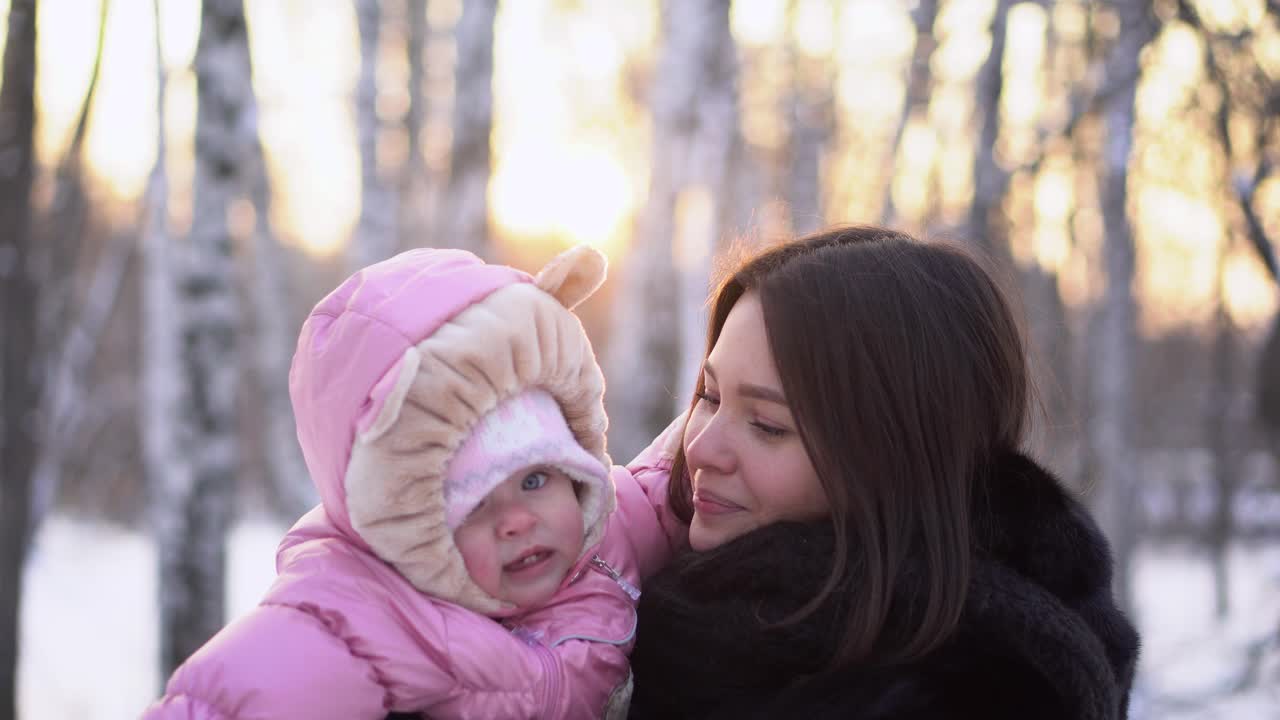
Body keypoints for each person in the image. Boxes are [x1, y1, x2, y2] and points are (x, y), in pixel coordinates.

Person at [143, 245, 679, 720]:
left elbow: (683, 477)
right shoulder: (367, 612)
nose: (516, 520)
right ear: (408, 522)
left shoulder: (613, 530)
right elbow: (237, 697)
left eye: (535, 479)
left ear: (576, 468)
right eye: (471, 505)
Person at [626, 226, 1141, 720]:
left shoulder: (976, 690)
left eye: (767, 425)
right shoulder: (651, 597)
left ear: (892, 456)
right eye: (709, 398)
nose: (701, 447)